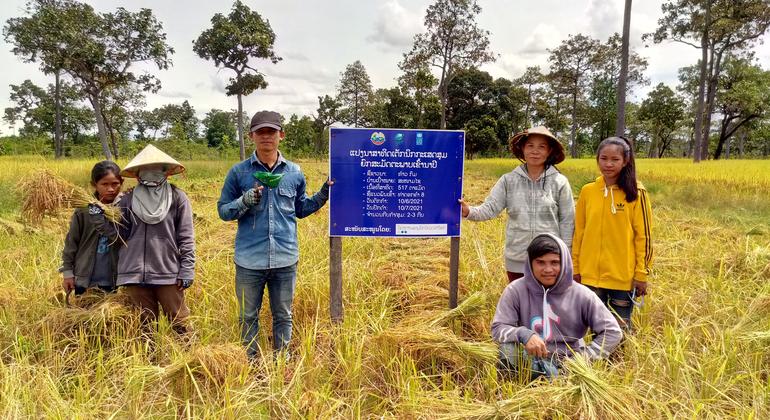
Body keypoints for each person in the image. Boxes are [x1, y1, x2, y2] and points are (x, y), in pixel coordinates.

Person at [217, 110, 331, 359]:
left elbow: (301, 209)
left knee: (283, 315)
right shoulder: (239, 173)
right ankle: (251, 362)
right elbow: (223, 211)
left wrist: (323, 194)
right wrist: (244, 201)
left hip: (285, 259)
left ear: (281, 135)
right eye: (260, 132)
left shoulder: (294, 172)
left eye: (271, 131)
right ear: (251, 136)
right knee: (248, 316)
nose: (266, 136)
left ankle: (282, 361)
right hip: (249, 260)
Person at [92, 144, 195, 335]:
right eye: (146, 169)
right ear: (138, 174)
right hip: (134, 273)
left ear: (166, 172)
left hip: (168, 272)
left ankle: (190, 361)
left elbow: (186, 237)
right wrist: (99, 218)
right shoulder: (126, 200)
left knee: (180, 323)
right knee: (143, 327)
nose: (151, 173)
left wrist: (187, 269)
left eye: (157, 169)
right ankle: (150, 363)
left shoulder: (177, 198)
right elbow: (118, 235)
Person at [491, 233, 622, 381]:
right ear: (530, 263)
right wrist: (524, 334)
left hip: (569, 363)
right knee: (507, 350)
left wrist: (583, 359)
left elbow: (613, 332)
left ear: (564, 262)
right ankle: (519, 385)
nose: (548, 269)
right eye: (540, 262)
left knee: (555, 377)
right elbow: (497, 329)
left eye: (554, 262)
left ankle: (557, 380)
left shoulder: (582, 295)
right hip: (531, 359)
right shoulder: (515, 290)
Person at [460, 126, 575, 282]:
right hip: (517, 258)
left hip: (549, 261)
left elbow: (567, 221)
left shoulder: (559, 182)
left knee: (547, 304)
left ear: (549, 152)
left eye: (542, 147)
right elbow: (490, 208)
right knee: (520, 303)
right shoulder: (508, 180)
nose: (535, 151)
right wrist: (469, 212)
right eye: (530, 146)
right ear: (522, 149)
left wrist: (565, 254)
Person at [572, 136, 653, 330]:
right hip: (590, 275)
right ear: (597, 159)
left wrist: (641, 273)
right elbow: (579, 232)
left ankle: (617, 361)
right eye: (604, 158)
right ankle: (594, 361)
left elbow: (644, 237)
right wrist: (576, 268)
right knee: (593, 326)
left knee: (619, 329)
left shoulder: (636, 193)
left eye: (615, 159)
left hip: (622, 277)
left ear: (625, 161)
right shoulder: (588, 191)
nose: (608, 164)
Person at [60, 161, 124, 297]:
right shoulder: (84, 210)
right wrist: (67, 273)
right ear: (94, 185)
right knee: (83, 315)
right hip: (85, 278)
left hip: (116, 278)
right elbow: (71, 242)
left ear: (121, 182)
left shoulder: (125, 208)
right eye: (104, 184)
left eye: (115, 184)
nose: (111, 189)